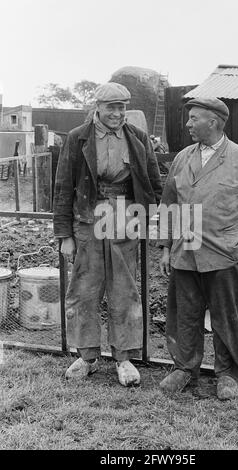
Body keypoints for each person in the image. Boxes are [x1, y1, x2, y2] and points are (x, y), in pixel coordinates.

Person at [158, 97, 238, 399]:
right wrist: (163, 246)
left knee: (225, 317)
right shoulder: (183, 158)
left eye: (194, 118)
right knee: (184, 315)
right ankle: (185, 368)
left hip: (224, 255)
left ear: (214, 121)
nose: (187, 124)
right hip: (185, 252)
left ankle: (229, 375)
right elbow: (168, 204)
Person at [53, 82, 162, 386]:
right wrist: (65, 235)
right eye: (112, 107)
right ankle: (86, 357)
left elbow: (152, 182)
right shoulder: (78, 138)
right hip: (87, 222)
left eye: (122, 107)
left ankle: (124, 359)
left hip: (125, 221)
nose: (117, 113)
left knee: (124, 291)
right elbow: (63, 188)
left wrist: (148, 218)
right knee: (84, 290)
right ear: (98, 107)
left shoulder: (138, 138)